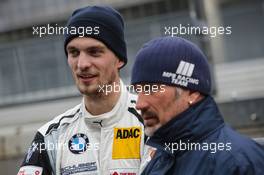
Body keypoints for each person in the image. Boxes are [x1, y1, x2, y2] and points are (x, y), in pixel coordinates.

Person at [18, 6, 145, 175]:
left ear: (120, 59)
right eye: (74, 52)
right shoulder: (50, 137)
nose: (82, 64)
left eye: (94, 52)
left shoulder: (149, 122)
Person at [131, 36, 264, 175]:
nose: (139, 104)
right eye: (137, 90)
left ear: (192, 93)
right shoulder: (159, 159)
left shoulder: (239, 162)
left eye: (151, 89)